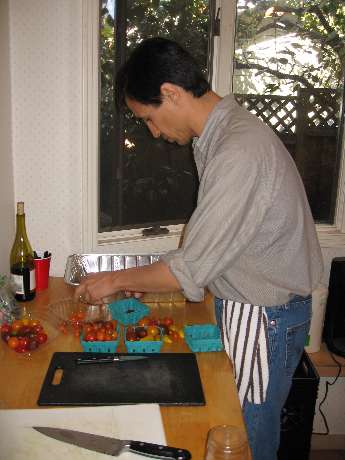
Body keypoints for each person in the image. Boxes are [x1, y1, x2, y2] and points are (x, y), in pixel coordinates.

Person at [75, 37, 323, 459]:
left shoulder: (237, 150)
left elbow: (188, 268)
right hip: (257, 311)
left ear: (170, 93)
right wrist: (147, 281)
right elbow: (209, 242)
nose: (153, 132)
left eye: (149, 117)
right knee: (237, 426)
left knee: (244, 438)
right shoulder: (224, 135)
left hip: (262, 318)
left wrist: (116, 279)